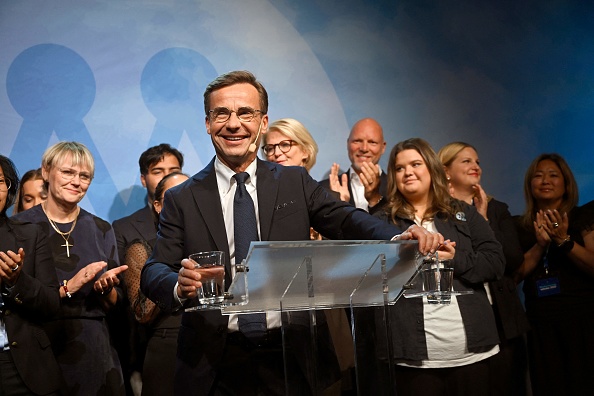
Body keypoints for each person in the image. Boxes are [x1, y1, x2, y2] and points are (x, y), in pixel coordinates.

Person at [140, 70, 442, 396]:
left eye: (245, 113)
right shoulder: (182, 197)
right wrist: (178, 285)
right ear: (207, 123)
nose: (233, 123)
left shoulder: (293, 181)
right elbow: (154, 269)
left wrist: (396, 236)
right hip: (213, 362)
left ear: (263, 122)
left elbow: (344, 219)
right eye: (221, 113)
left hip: (293, 356)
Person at [374, 138, 504, 396]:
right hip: (412, 356)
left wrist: (455, 258)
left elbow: (495, 262)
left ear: (431, 168)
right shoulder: (381, 220)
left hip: (473, 353)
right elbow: (372, 277)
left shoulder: (463, 212)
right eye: (399, 168)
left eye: (415, 164)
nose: (407, 172)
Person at [12, 141, 128, 396]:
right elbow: (13, 294)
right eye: (68, 172)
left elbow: (116, 304)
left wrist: (105, 289)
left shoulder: (101, 228)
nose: (76, 181)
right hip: (39, 348)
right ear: (46, 171)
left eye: (84, 176)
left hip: (95, 352)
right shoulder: (18, 227)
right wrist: (67, 288)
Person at [262, 118, 355, 391]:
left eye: (285, 144)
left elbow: (347, 264)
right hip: (275, 320)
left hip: (323, 313)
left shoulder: (329, 195)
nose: (277, 152)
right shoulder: (258, 199)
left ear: (305, 150)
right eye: (269, 148)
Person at [438, 142, 529, 395]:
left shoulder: (497, 209)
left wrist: (484, 219)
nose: (475, 166)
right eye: (466, 161)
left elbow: (511, 259)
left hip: (504, 320)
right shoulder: (437, 214)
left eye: (477, 162)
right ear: (445, 171)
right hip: (460, 322)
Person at [513, 153, 594, 396]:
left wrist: (563, 241)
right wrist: (540, 245)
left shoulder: (584, 217)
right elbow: (513, 278)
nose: (545, 180)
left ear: (566, 184)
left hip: (584, 320)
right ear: (530, 185)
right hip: (540, 324)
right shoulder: (519, 226)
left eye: (553, 175)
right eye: (538, 176)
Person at [112, 143, 183, 395]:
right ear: (144, 179)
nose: (166, 175)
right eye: (158, 170)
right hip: (150, 340)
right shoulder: (126, 230)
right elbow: (136, 305)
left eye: (173, 169)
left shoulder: (207, 229)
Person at [0, 155, 63, 395]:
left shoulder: (30, 235)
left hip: (22, 367)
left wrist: (16, 281)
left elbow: (51, 304)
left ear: (9, 188)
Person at [319, 118, 387, 212]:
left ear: (383, 147)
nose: (364, 148)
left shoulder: (397, 188)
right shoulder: (323, 189)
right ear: (348, 144)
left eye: (372, 142)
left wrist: (375, 200)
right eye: (357, 141)